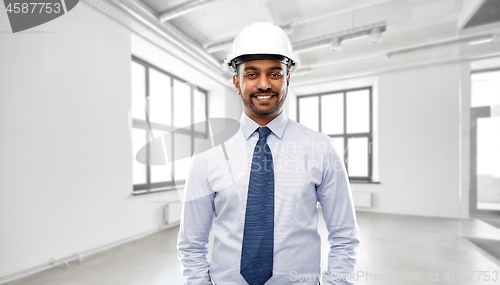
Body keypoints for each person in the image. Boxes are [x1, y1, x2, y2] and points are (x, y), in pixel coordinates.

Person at [177, 22, 360, 285]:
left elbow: (344, 236)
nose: (264, 84)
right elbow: (191, 243)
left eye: (274, 73)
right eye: (251, 74)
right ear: (237, 81)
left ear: (288, 78)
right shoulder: (207, 155)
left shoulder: (321, 149)